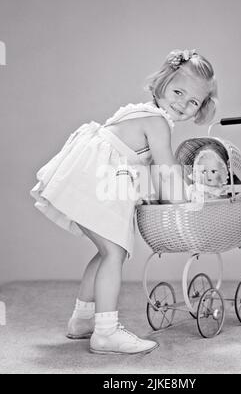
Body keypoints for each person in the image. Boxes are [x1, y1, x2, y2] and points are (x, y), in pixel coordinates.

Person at [30, 48, 218, 355]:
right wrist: (187, 202)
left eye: (193, 101)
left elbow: (141, 169)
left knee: (107, 252)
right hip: (95, 180)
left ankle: (83, 319)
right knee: (114, 254)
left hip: (88, 178)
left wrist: (153, 194)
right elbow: (167, 170)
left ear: (201, 108)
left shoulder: (142, 113)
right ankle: (105, 333)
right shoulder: (155, 121)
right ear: (162, 84)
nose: (182, 103)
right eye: (178, 91)